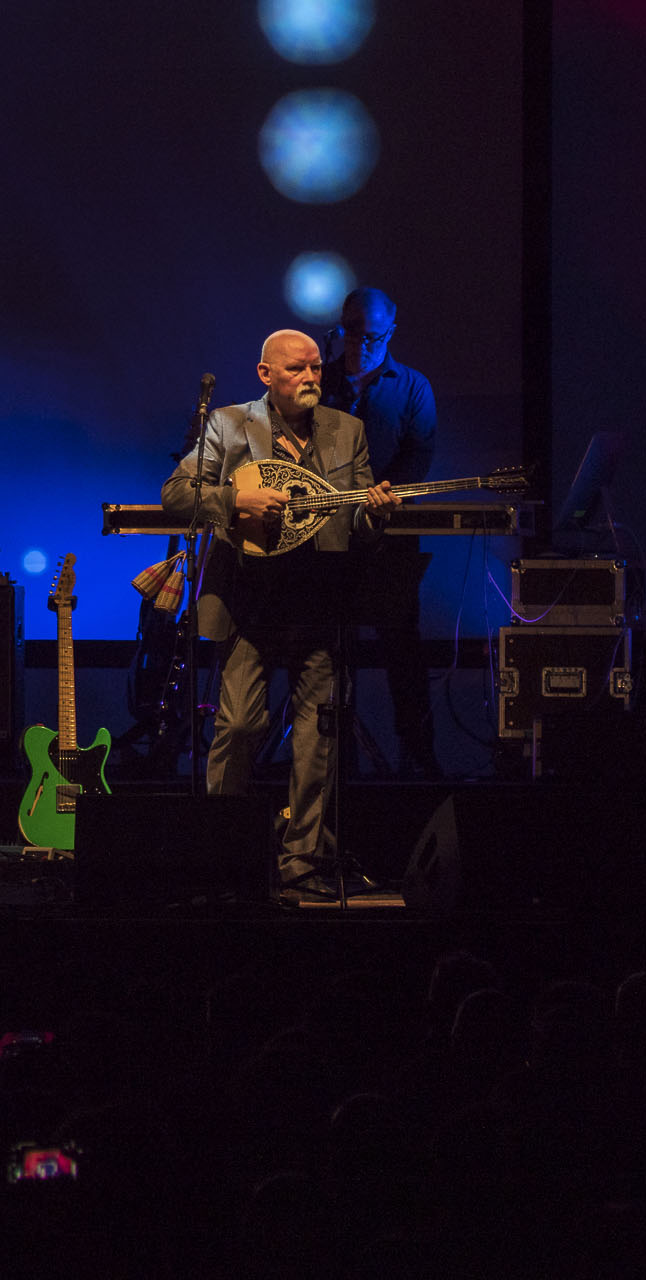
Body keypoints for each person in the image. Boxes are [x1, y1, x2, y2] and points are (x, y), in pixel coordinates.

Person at [161, 329, 400, 896]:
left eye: (317, 368)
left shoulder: (349, 432)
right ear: (266, 374)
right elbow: (176, 493)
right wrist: (233, 499)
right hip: (249, 604)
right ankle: (224, 851)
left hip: (320, 605)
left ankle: (304, 861)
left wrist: (377, 514)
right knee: (241, 724)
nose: (312, 378)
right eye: (297, 370)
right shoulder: (227, 423)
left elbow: (360, 522)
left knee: (319, 739)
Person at [321, 287, 441, 777]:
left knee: (402, 648)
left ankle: (417, 758)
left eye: (372, 336)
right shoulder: (320, 382)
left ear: (390, 332)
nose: (361, 344)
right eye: (351, 333)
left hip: (388, 537)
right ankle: (331, 761)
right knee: (325, 650)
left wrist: (386, 498)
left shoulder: (412, 386)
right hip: (325, 540)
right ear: (341, 328)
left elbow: (418, 457)